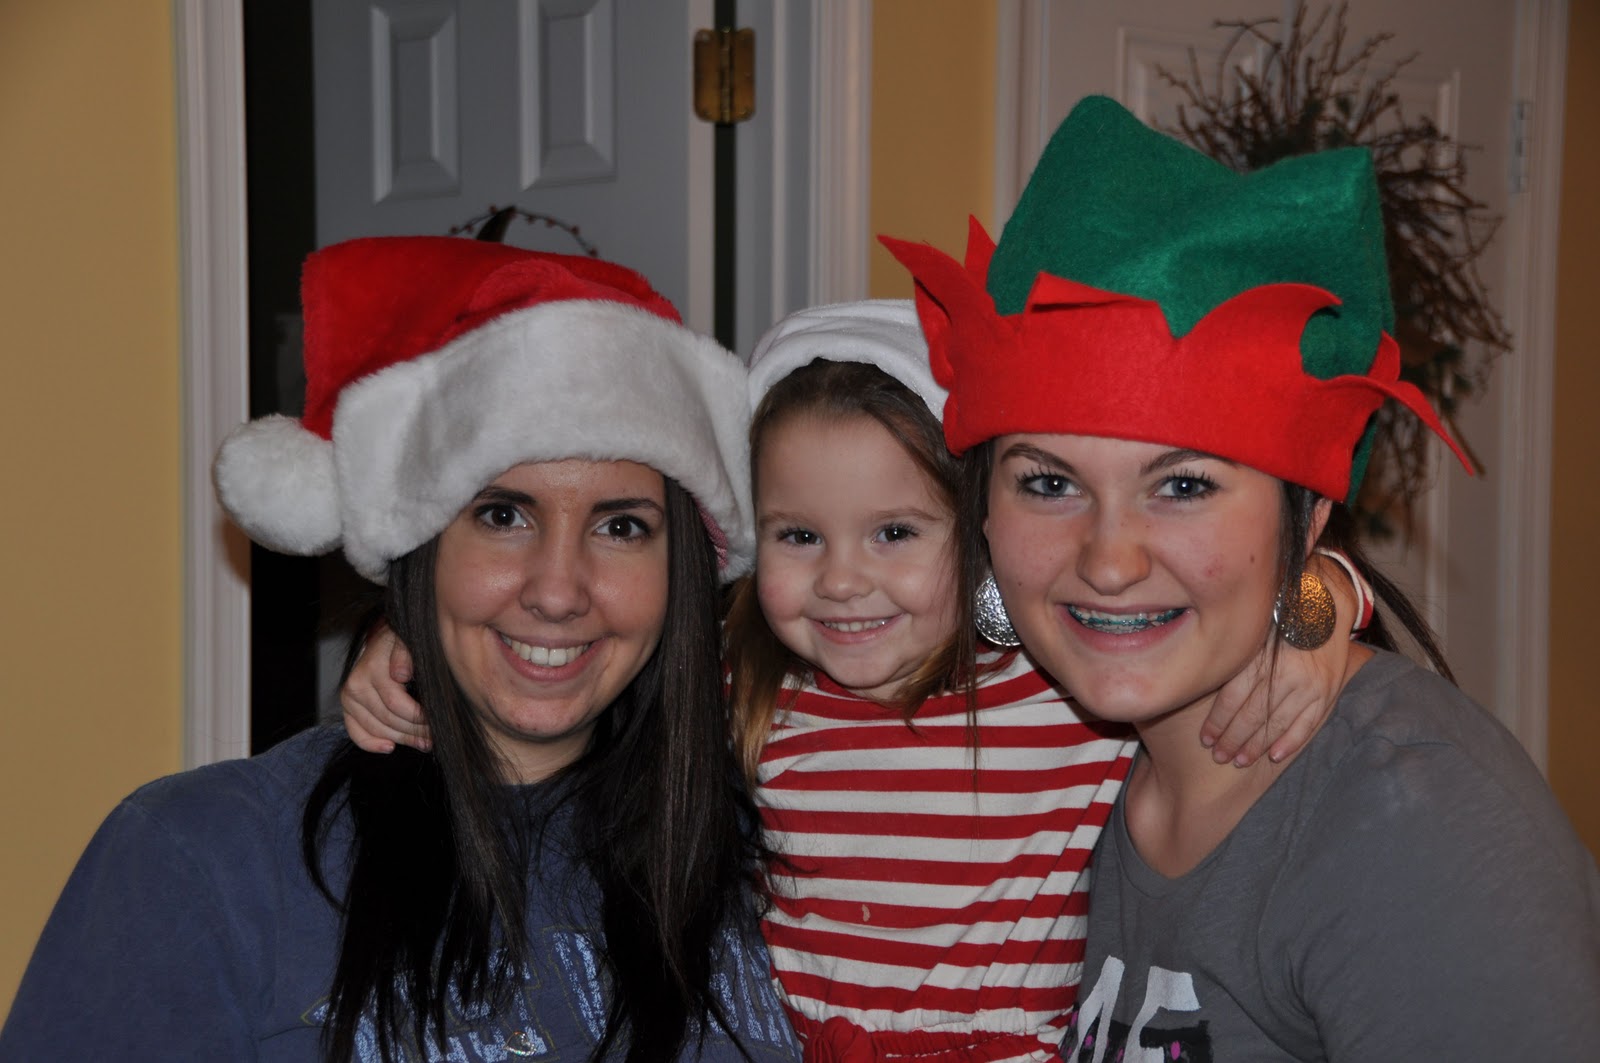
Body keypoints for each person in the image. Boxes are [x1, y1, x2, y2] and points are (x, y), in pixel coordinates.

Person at [345, 297, 1366, 1063]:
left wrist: (1314, 610)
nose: (840, 581)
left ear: (980, 535)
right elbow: (581, 659)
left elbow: (1213, 608)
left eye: (893, 533)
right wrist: (407, 638)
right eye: (799, 536)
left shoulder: (1061, 681)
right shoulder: (750, 690)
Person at [882, 94, 1600, 1061]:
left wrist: (1316, 599)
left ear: (1310, 514)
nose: (1109, 560)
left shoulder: (1415, 820)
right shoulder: (1042, 762)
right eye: (1049, 483)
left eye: (1183, 485)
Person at [0, 237, 802, 1063]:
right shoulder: (201, 860)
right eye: (502, 515)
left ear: (683, 571)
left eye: (622, 525)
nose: (559, 590)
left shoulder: (784, 828)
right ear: (420, 545)